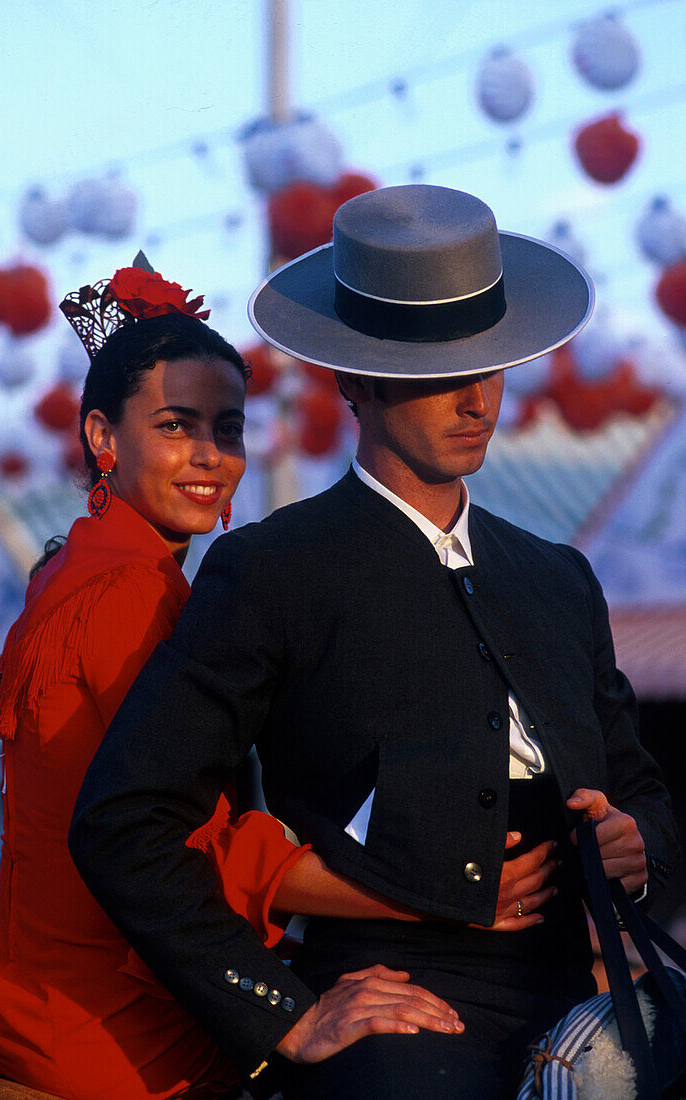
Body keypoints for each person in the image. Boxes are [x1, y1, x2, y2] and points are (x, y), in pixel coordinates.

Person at [68, 187, 679, 1099]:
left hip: (583, 996)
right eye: (440, 371)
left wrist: (637, 841)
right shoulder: (271, 570)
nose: (476, 398)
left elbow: (644, 792)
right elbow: (124, 823)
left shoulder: (559, 577)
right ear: (353, 379)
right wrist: (285, 1011)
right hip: (396, 1011)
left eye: (494, 364)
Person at [0, 259, 463, 1100]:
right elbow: (174, 843)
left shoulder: (67, 569)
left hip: (27, 996)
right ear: (101, 437)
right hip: (116, 1034)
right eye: (175, 425)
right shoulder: (134, 594)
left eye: (226, 429)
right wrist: (437, 893)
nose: (209, 457)